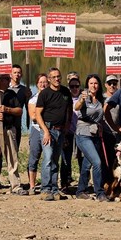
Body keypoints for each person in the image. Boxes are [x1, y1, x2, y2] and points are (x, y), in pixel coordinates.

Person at [35, 67, 73, 201]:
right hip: (48, 129)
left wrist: (67, 125)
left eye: (58, 76)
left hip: (60, 130)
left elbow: (69, 108)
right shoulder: (44, 94)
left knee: (55, 161)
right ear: (49, 79)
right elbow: (37, 114)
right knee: (48, 158)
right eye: (54, 77)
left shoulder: (65, 92)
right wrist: (45, 131)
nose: (57, 79)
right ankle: (45, 189)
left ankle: (54, 189)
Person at [74, 74, 109, 202]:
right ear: (87, 85)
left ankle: (80, 190)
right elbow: (76, 107)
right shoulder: (84, 97)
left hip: (95, 134)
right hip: (83, 134)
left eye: (96, 83)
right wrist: (82, 100)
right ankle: (99, 192)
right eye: (91, 83)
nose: (93, 86)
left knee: (86, 164)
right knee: (97, 162)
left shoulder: (101, 99)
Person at [28, 73, 48, 194]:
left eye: (45, 82)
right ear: (37, 84)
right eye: (40, 82)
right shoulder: (33, 99)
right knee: (34, 157)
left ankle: (47, 184)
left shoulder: (51, 97)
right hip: (36, 129)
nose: (43, 84)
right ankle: (32, 185)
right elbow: (33, 116)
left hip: (49, 130)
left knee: (48, 158)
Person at [61, 74, 81, 191]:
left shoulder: (83, 98)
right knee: (65, 159)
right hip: (68, 132)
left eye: (76, 86)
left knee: (81, 158)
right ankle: (65, 182)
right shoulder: (65, 98)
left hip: (80, 133)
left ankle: (83, 183)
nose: (74, 89)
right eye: (72, 86)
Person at [9, 64, 32, 150]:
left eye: (19, 73)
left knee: (15, 148)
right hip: (5, 123)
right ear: (10, 74)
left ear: (21, 75)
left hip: (17, 123)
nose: (17, 75)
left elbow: (28, 107)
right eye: (14, 72)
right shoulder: (4, 87)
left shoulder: (24, 90)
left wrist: (29, 97)